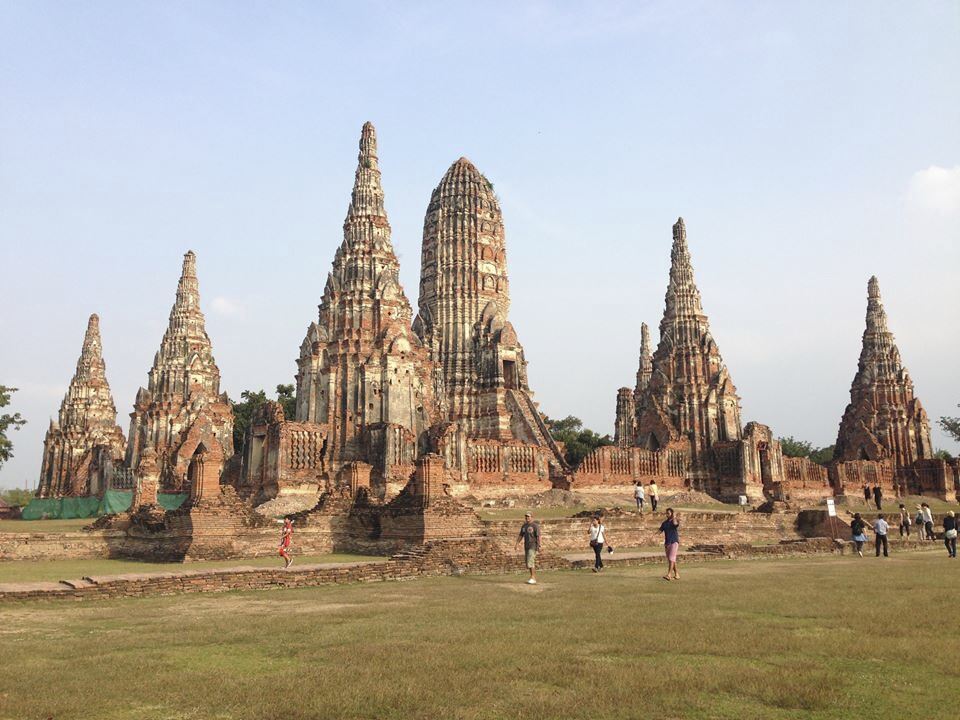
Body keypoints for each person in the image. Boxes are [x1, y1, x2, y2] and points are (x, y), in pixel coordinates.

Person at [515, 512, 541, 584]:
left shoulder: (535, 526)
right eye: (526, 516)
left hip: (533, 545)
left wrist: (539, 545)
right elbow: (521, 535)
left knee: (530, 561)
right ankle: (532, 577)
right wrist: (517, 543)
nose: (527, 518)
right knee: (528, 562)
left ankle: (533, 577)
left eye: (528, 516)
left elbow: (538, 536)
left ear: (532, 517)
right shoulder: (524, 526)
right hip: (526, 546)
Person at [658, 508, 680, 580]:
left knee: (671, 558)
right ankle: (677, 574)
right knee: (671, 560)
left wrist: (673, 517)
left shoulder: (675, 521)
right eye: (666, 513)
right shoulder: (664, 523)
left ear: (672, 513)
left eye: (668, 513)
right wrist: (653, 535)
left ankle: (669, 574)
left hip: (674, 542)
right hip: (667, 543)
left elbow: (675, 524)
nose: (667, 514)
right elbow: (660, 530)